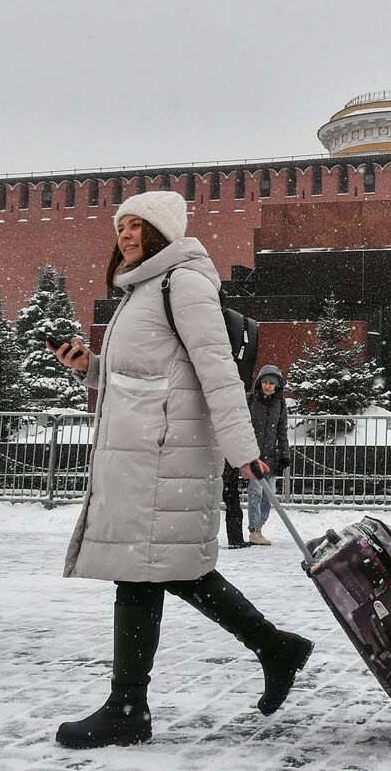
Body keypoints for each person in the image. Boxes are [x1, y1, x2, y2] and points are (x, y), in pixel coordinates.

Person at [51, 191, 313, 749]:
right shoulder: (142, 288)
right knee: (172, 572)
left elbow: (217, 374)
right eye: (120, 225)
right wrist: (90, 369)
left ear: (162, 230)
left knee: (146, 575)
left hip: (165, 458)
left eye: (137, 225)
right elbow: (146, 378)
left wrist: (245, 450)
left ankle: (128, 707)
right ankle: (274, 648)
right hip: (145, 455)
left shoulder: (183, 284)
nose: (124, 235)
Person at [245, 365, 291, 547]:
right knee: (255, 492)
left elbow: (282, 431)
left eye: (272, 383)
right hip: (254, 456)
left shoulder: (280, 403)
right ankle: (254, 529)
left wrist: (285, 454)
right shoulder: (250, 401)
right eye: (265, 382)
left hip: (271, 456)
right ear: (260, 383)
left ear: (277, 386)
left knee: (269, 495)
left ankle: (260, 525)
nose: (268, 386)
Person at [222, 461, 248, 549]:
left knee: (233, 507)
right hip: (229, 476)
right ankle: (235, 539)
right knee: (234, 508)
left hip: (227, 475)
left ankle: (235, 539)